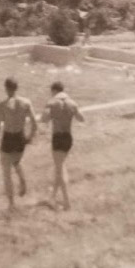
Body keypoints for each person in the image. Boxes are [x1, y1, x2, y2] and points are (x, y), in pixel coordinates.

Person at [0, 77, 38, 211]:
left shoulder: (2, 105)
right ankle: (22, 179)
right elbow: (34, 124)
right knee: (16, 161)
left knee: (6, 172)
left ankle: (11, 204)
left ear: (6, 88)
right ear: (17, 88)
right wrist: (29, 138)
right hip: (20, 137)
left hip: (8, 138)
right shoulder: (26, 103)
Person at [40, 81, 85, 210]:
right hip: (68, 138)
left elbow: (44, 119)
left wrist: (52, 114)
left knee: (60, 169)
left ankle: (67, 202)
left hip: (58, 138)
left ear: (54, 91)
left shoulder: (52, 102)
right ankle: (52, 197)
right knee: (59, 166)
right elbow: (81, 118)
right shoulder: (72, 103)